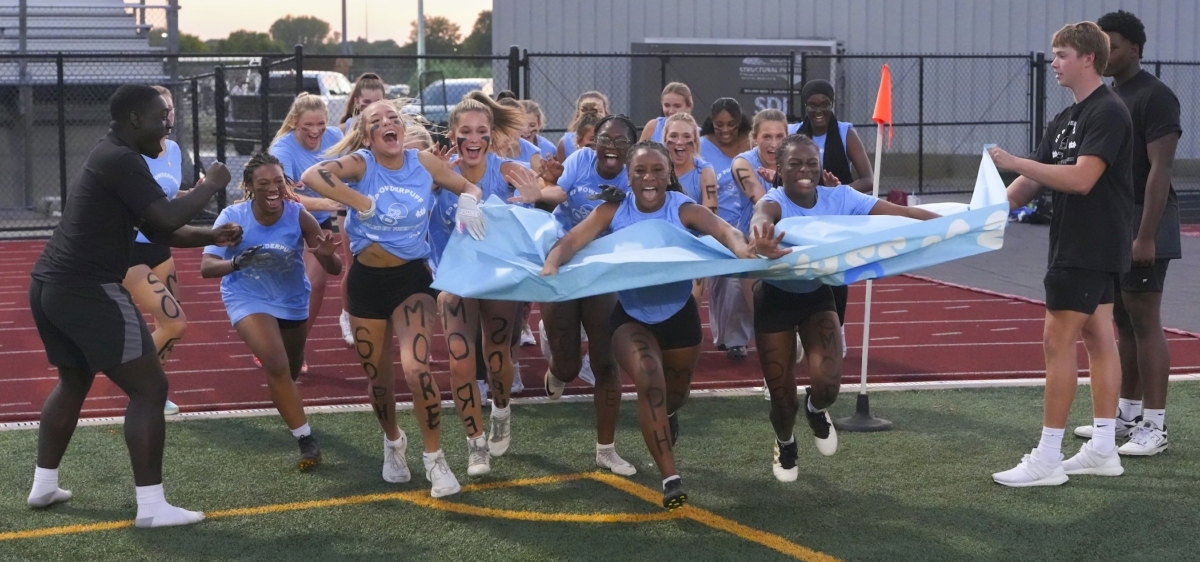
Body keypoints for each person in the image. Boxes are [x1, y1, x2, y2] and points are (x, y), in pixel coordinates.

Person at [27, 85, 238, 527]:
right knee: (150, 390)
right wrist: (213, 187)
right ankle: (152, 507)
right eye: (163, 115)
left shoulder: (116, 156)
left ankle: (44, 485)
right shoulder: (120, 158)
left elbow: (158, 231)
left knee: (73, 380)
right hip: (86, 288)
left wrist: (211, 236)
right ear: (137, 119)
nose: (169, 123)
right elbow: (164, 217)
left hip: (51, 284)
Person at [542, 140, 779, 509]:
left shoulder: (683, 208)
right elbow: (572, 240)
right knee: (649, 379)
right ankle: (671, 478)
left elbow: (724, 232)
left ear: (669, 174)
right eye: (639, 171)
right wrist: (553, 263)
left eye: (656, 170)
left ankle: (668, 415)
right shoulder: (613, 211)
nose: (648, 178)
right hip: (630, 318)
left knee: (674, 394)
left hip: (679, 318)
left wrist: (748, 249)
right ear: (629, 176)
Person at [300, 100, 488, 498]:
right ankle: (393, 442)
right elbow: (311, 174)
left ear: (401, 129)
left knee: (417, 370)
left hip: (411, 279)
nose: (387, 123)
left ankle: (435, 458)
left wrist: (470, 200)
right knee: (379, 380)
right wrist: (361, 202)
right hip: (367, 283)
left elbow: (469, 185)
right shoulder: (362, 165)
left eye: (393, 119)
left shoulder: (422, 162)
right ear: (367, 135)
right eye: (376, 121)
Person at [989, 22, 1134, 487]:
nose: (1055, 63)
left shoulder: (1108, 112)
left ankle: (1048, 458)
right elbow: (1030, 183)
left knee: (1057, 342)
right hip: (1080, 244)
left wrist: (1014, 161)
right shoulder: (1066, 117)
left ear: (1089, 58)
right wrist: (979, 213)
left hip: (1088, 245)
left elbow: (1081, 178)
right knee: (1097, 339)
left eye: (1062, 54)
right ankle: (1105, 449)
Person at [750, 135, 938, 482]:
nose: (804, 170)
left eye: (811, 163)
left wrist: (950, 226)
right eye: (794, 164)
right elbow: (762, 216)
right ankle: (785, 440)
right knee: (780, 399)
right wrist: (760, 237)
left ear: (821, 167)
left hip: (818, 295)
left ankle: (816, 407)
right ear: (779, 169)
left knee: (829, 384)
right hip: (775, 298)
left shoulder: (841, 197)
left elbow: (901, 213)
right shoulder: (774, 200)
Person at [1070, 11, 1183, 457]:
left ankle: (1155, 426)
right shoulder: (1112, 95)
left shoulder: (1156, 97)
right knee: (1122, 322)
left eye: (1112, 45)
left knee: (1144, 322)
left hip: (1145, 221)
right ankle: (1127, 415)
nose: (1103, 53)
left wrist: (1145, 235)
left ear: (1135, 48)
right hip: (1118, 220)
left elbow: (1161, 169)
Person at [430, 92, 552, 476]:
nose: (473, 137)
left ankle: (501, 410)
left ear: (491, 135)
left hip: (498, 279)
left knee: (498, 356)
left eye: (481, 130)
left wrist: (537, 199)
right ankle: (475, 444)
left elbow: (537, 219)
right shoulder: (435, 173)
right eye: (465, 130)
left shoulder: (507, 171)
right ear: (453, 134)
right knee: (459, 360)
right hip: (454, 281)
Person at [200, 153, 342, 471]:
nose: (273, 189)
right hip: (246, 296)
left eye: (279, 182)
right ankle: (306, 440)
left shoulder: (298, 215)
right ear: (249, 186)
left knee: (288, 372)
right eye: (263, 183)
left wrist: (326, 254)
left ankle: (287, 407)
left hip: (291, 300)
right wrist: (237, 262)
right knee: (276, 366)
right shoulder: (233, 215)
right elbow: (206, 267)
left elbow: (334, 269)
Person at [541, 114, 643, 477]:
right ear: (592, 142)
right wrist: (543, 188)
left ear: (632, 147)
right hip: (565, 258)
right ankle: (556, 362)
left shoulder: (636, 172)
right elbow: (558, 192)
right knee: (569, 368)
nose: (612, 147)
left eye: (621, 141)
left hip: (603, 268)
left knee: (604, 361)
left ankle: (606, 449)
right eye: (606, 139)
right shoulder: (580, 161)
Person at [790, 79, 877, 349]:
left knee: (836, 274)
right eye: (812, 105)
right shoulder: (793, 133)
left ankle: (837, 326)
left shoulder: (844, 132)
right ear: (804, 106)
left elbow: (867, 179)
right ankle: (800, 328)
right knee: (804, 272)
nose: (819, 111)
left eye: (824, 105)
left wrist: (836, 192)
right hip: (803, 214)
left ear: (832, 105)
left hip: (837, 216)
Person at [122, 85, 187, 417]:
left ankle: (152, 389)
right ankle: (141, 386)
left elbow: (169, 197)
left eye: (171, 109)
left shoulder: (174, 149)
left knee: (170, 322)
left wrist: (200, 193)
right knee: (174, 324)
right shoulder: (131, 153)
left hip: (161, 246)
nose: (167, 115)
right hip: (130, 249)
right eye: (161, 111)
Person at [269, 94, 346, 369]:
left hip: (319, 221)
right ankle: (269, 340)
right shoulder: (283, 149)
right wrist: (328, 201)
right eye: (308, 126)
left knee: (316, 282)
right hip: (285, 220)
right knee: (282, 285)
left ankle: (297, 344)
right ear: (294, 123)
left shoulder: (336, 137)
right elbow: (285, 194)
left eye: (321, 125)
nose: (315, 132)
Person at [334, 73, 388, 344]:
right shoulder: (347, 128)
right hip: (352, 206)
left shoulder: (392, 126)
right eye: (366, 102)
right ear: (356, 102)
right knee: (354, 265)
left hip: (384, 207)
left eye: (377, 102)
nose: (371, 107)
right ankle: (347, 314)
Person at [699, 98, 754, 360]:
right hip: (715, 221)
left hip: (746, 222)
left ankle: (736, 340)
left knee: (736, 282)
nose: (725, 129)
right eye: (719, 124)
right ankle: (723, 334)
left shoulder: (751, 141)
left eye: (731, 124)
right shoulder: (702, 145)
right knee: (719, 283)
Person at [557, 91, 610, 162]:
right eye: (587, 110)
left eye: (599, 111)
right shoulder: (565, 143)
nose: (593, 115)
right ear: (578, 114)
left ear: (606, 114)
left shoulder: (615, 140)